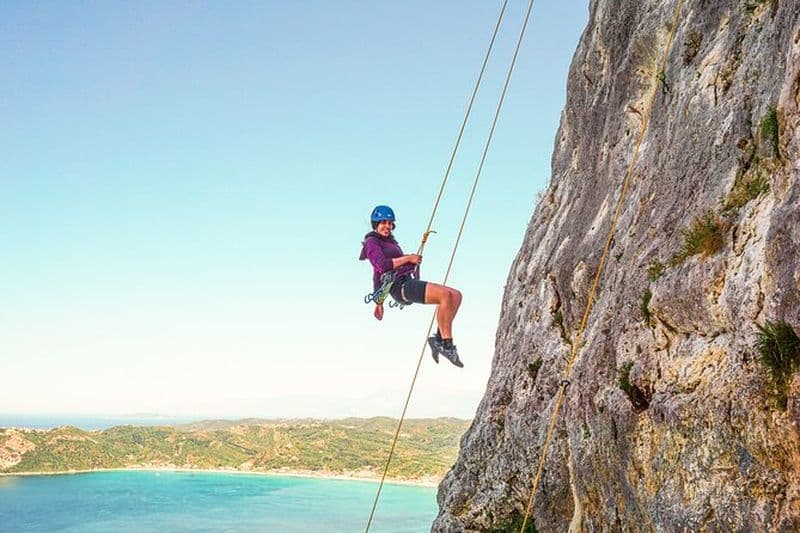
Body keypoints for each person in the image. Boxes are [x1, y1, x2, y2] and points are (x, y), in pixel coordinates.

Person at [359, 205, 464, 367]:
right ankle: (447, 344)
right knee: (445, 296)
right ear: (375, 224)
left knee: (456, 295)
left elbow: (384, 270)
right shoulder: (371, 242)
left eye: (390, 223)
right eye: (383, 223)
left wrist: (411, 262)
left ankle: (438, 339)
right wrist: (408, 258)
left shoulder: (391, 242)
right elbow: (381, 266)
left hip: (405, 281)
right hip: (399, 287)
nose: (388, 226)